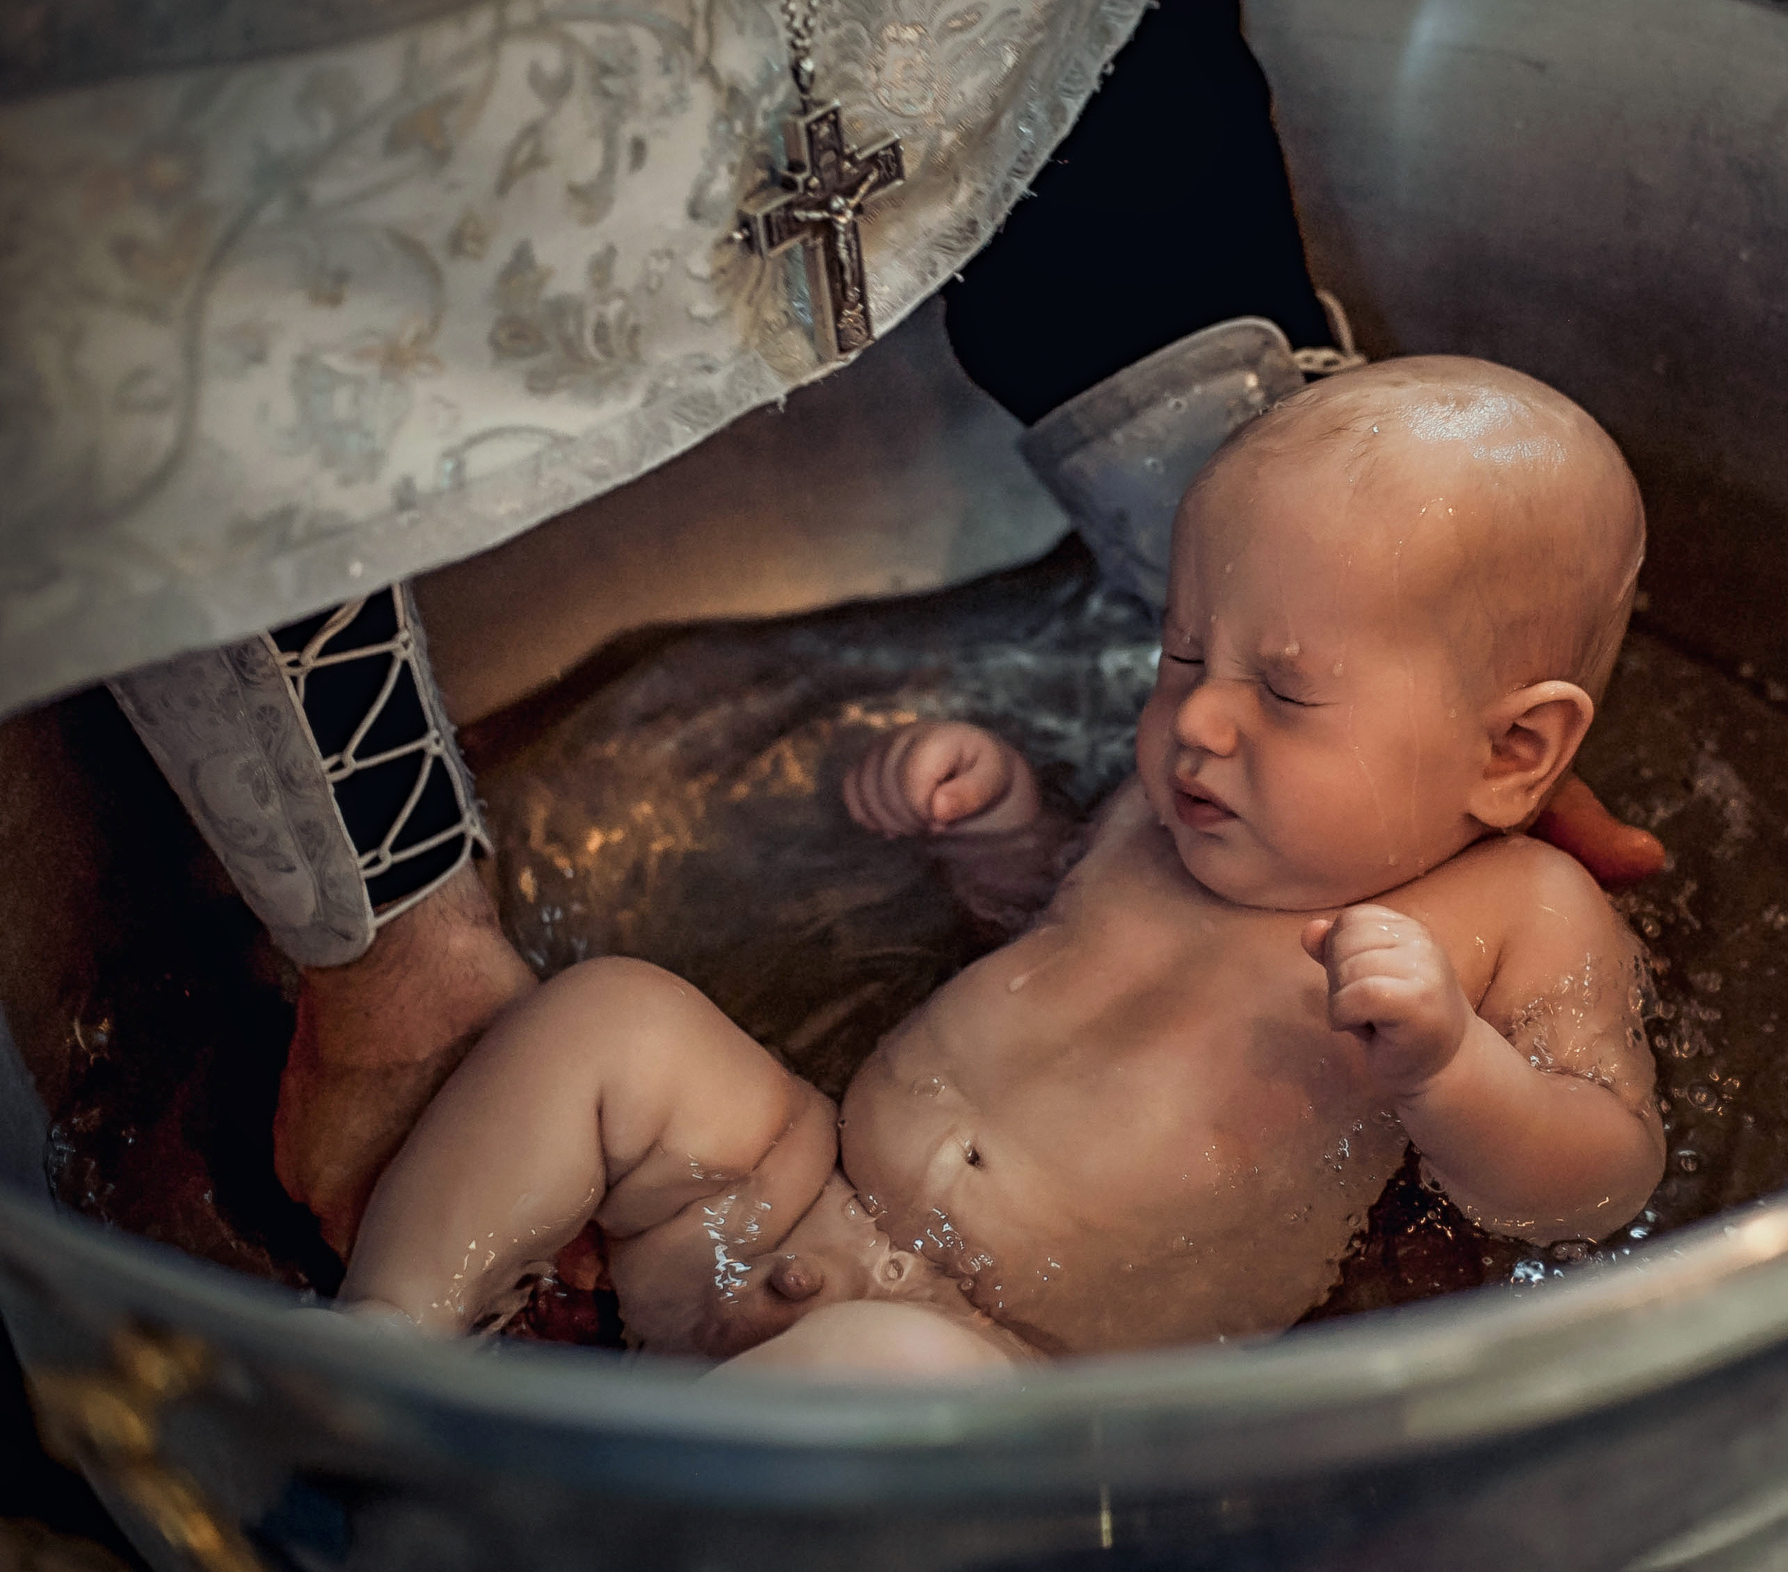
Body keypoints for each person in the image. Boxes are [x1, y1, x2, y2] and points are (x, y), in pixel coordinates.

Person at [338, 357, 1664, 1367]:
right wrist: (996, 827)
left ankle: (513, 1525)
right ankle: (383, 1348)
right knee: (612, 1018)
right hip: (793, 1192)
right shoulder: (1174, 811)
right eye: (1187, 653)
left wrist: (1450, 1065)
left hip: (1001, 1381)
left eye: (1287, 689)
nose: (1199, 717)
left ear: (1515, 748)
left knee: (894, 1367)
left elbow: (1601, 1178)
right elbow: (1044, 930)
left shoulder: (1521, 917)